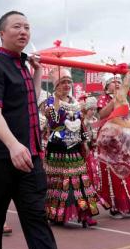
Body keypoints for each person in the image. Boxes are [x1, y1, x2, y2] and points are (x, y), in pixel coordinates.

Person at [0, 10, 58, 249]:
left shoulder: (23, 64)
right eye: (16, 27)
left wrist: (37, 73)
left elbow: (29, 102)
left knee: (37, 220)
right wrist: (13, 145)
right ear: (2, 33)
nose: (23, 31)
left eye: (27, 27)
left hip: (29, 159)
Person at [42, 67, 99, 227]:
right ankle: (56, 214)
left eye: (69, 82)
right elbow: (53, 123)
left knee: (80, 183)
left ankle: (85, 214)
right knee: (58, 183)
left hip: (74, 149)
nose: (66, 85)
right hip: (57, 149)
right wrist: (58, 104)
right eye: (63, 82)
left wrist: (84, 142)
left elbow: (81, 125)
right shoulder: (50, 101)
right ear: (56, 85)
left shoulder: (75, 102)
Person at [96, 72, 130, 219]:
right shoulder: (103, 99)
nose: (116, 84)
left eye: (118, 81)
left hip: (125, 141)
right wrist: (115, 100)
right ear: (106, 86)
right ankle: (115, 208)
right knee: (113, 175)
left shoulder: (125, 99)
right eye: (113, 82)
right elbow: (102, 115)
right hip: (110, 141)